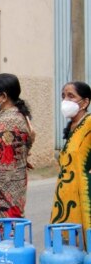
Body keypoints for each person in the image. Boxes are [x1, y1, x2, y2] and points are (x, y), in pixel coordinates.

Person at [0, 73, 34, 240]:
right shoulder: (17, 115)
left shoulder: (9, 119)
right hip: (13, 182)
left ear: (3, 96)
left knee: (3, 237)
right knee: (9, 233)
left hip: (3, 188)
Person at [51, 81, 91, 233]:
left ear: (85, 102)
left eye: (71, 96)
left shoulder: (89, 123)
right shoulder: (72, 127)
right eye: (63, 96)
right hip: (65, 190)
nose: (65, 101)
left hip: (84, 190)